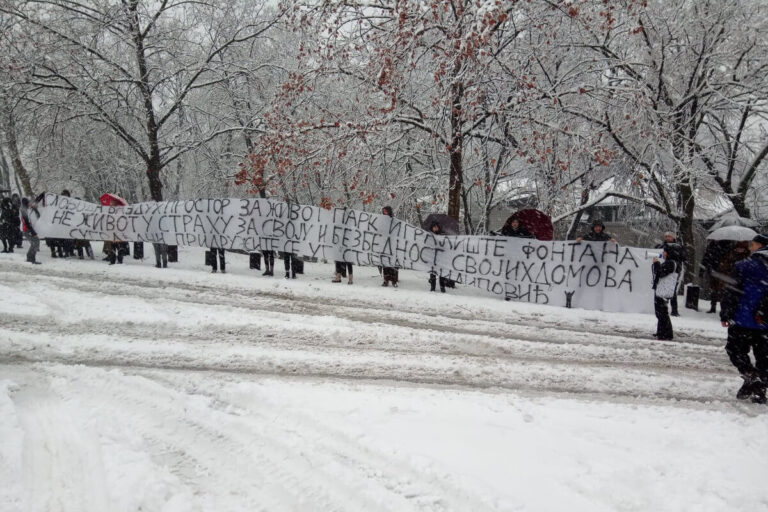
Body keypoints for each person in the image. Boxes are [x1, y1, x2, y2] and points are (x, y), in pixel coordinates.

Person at [719, 234, 768, 404]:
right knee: (764, 357)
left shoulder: (743, 265)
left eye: (752, 244)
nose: (749, 247)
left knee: (735, 350)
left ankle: (751, 376)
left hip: (743, 319)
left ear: (760, 246)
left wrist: (725, 312)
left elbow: (731, 291)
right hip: (765, 323)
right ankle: (759, 386)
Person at [706, 241, 750, 314]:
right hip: (728, 278)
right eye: (738, 248)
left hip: (738, 280)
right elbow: (723, 266)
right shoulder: (730, 255)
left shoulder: (747, 258)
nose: (739, 250)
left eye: (741, 249)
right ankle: (722, 309)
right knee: (723, 294)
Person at [652, 243, 683, 340]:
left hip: (663, 290)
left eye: (665, 251)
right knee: (662, 312)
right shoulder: (675, 263)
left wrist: (656, 264)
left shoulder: (670, 263)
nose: (663, 253)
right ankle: (662, 332)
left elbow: (660, 273)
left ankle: (665, 334)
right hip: (665, 290)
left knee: (661, 313)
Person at [656, 231, 685, 316]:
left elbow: (682, 257)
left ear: (673, 238)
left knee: (672, 290)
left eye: (669, 236)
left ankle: (674, 310)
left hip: (674, 271)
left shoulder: (678, 247)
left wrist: (668, 253)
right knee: (662, 289)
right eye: (666, 236)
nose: (667, 238)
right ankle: (663, 308)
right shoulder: (661, 246)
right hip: (663, 270)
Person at [428, 221, 450, 293]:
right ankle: (432, 287)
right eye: (434, 227)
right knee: (432, 273)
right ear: (432, 228)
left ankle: (442, 287)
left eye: (436, 226)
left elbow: (446, 246)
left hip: (441, 258)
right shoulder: (429, 235)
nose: (435, 228)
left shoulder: (443, 235)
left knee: (442, 273)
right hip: (432, 258)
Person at [380, 206, 399, 287]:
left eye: (385, 211)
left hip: (392, 244)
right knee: (385, 263)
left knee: (393, 263)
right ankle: (386, 280)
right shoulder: (381, 220)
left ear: (389, 211)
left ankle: (394, 281)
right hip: (384, 245)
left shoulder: (394, 221)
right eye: (383, 211)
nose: (384, 213)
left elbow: (397, 231)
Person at [19, 197, 41, 264]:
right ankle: (31, 258)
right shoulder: (23, 210)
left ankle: (29, 257)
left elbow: (38, 216)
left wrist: (35, 209)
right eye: (28, 202)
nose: (29, 203)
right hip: (26, 230)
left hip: (29, 229)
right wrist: (33, 233)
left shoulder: (27, 209)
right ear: (26, 203)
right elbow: (27, 223)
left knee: (34, 243)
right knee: (36, 242)